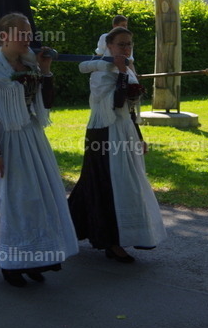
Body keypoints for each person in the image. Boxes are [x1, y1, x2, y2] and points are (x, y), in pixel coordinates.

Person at [0, 12, 79, 287]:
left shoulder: (30, 63)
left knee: (40, 199)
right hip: (6, 140)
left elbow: (47, 103)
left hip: (32, 137)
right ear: (3, 36)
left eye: (29, 33)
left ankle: (38, 257)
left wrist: (45, 70)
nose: (27, 38)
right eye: (21, 33)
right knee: (16, 201)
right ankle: (12, 263)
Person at [68, 27, 166, 262]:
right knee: (109, 183)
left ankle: (69, 227)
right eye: (121, 44)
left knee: (104, 182)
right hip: (104, 134)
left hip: (124, 131)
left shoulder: (126, 70)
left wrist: (139, 136)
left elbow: (129, 108)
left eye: (129, 44)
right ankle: (111, 241)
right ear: (109, 46)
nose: (126, 48)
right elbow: (115, 103)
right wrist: (121, 72)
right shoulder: (101, 73)